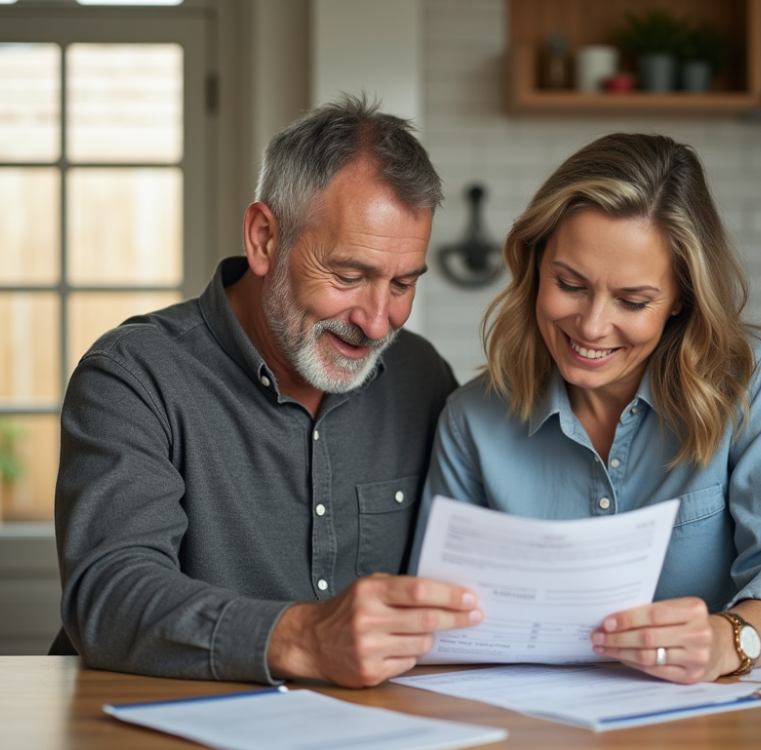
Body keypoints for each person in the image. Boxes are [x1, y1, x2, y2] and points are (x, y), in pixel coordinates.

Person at [54, 96, 483, 688]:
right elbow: (108, 596)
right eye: (349, 277)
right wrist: (304, 638)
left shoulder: (421, 376)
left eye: (403, 283)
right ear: (262, 239)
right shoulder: (132, 375)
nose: (379, 322)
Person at [414, 133, 761, 684]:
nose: (592, 326)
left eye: (633, 301)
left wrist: (729, 640)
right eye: (569, 284)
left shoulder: (751, 382)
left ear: (681, 299)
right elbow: (438, 623)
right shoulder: (470, 421)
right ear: (535, 264)